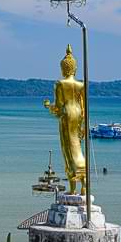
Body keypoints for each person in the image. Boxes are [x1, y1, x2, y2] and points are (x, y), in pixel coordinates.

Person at [43, 44, 86, 195]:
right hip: (78, 114)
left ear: (63, 68)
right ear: (74, 68)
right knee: (78, 146)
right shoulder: (81, 85)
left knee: (68, 148)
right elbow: (84, 106)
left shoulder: (60, 84)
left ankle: (73, 187)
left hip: (67, 114)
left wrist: (48, 106)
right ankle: (84, 184)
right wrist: (84, 127)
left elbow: (59, 107)